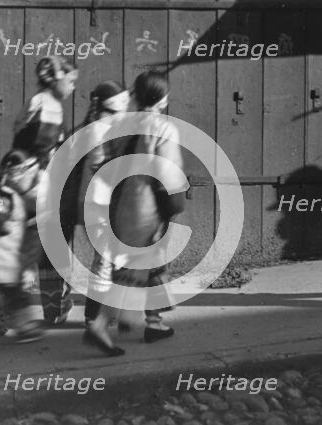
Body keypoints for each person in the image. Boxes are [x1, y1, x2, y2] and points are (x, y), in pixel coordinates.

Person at [84, 71, 186, 356]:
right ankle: (102, 325)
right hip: (146, 206)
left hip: (120, 206)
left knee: (143, 266)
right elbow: (168, 172)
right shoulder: (164, 128)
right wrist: (174, 205)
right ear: (162, 98)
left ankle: (151, 322)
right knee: (133, 271)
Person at [12, 56, 79, 325]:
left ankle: (49, 309)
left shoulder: (41, 101)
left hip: (29, 185)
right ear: (55, 78)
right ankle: (52, 308)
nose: (73, 87)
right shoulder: (48, 106)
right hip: (41, 186)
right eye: (71, 80)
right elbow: (42, 151)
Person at [71, 81, 130, 328]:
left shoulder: (97, 127)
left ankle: (106, 314)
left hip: (100, 202)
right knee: (106, 259)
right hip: (100, 203)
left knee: (110, 258)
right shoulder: (99, 130)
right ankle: (94, 317)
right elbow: (103, 170)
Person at [0, 150, 46, 351]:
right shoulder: (2, 194)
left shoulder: (9, 193)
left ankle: (26, 327)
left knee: (17, 296)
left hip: (8, 262)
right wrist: (1, 222)